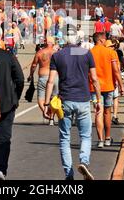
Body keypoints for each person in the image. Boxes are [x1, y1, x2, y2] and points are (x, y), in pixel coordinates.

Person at [43, 32, 102, 180]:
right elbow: (94, 79)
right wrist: (98, 100)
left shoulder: (58, 55)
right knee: (85, 135)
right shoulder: (86, 53)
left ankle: (69, 175)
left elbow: (50, 81)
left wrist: (46, 104)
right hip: (83, 99)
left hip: (65, 100)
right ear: (78, 40)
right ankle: (84, 162)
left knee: (64, 138)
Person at [0, 32, 24, 180]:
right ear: (0, 40)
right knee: (4, 138)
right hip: (6, 103)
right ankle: (0, 169)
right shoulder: (8, 56)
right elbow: (20, 79)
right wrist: (16, 97)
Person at [90, 33, 124, 148]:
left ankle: (100, 140)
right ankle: (108, 138)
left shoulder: (89, 53)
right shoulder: (111, 52)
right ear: (100, 40)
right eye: (104, 39)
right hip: (108, 86)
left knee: (98, 111)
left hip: (94, 87)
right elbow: (116, 71)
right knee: (107, 112)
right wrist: (121, 85)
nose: (105, 41)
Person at [28, 36, 59, 124]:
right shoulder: (57, 53)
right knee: (54, 98)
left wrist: (31, 74)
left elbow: (34, 65)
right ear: (53, 44)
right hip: (55, 77)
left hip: (43, 76)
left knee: (41, 99)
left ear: (45, 43)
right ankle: (52, 118)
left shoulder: (40, 52)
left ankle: (46, 113)